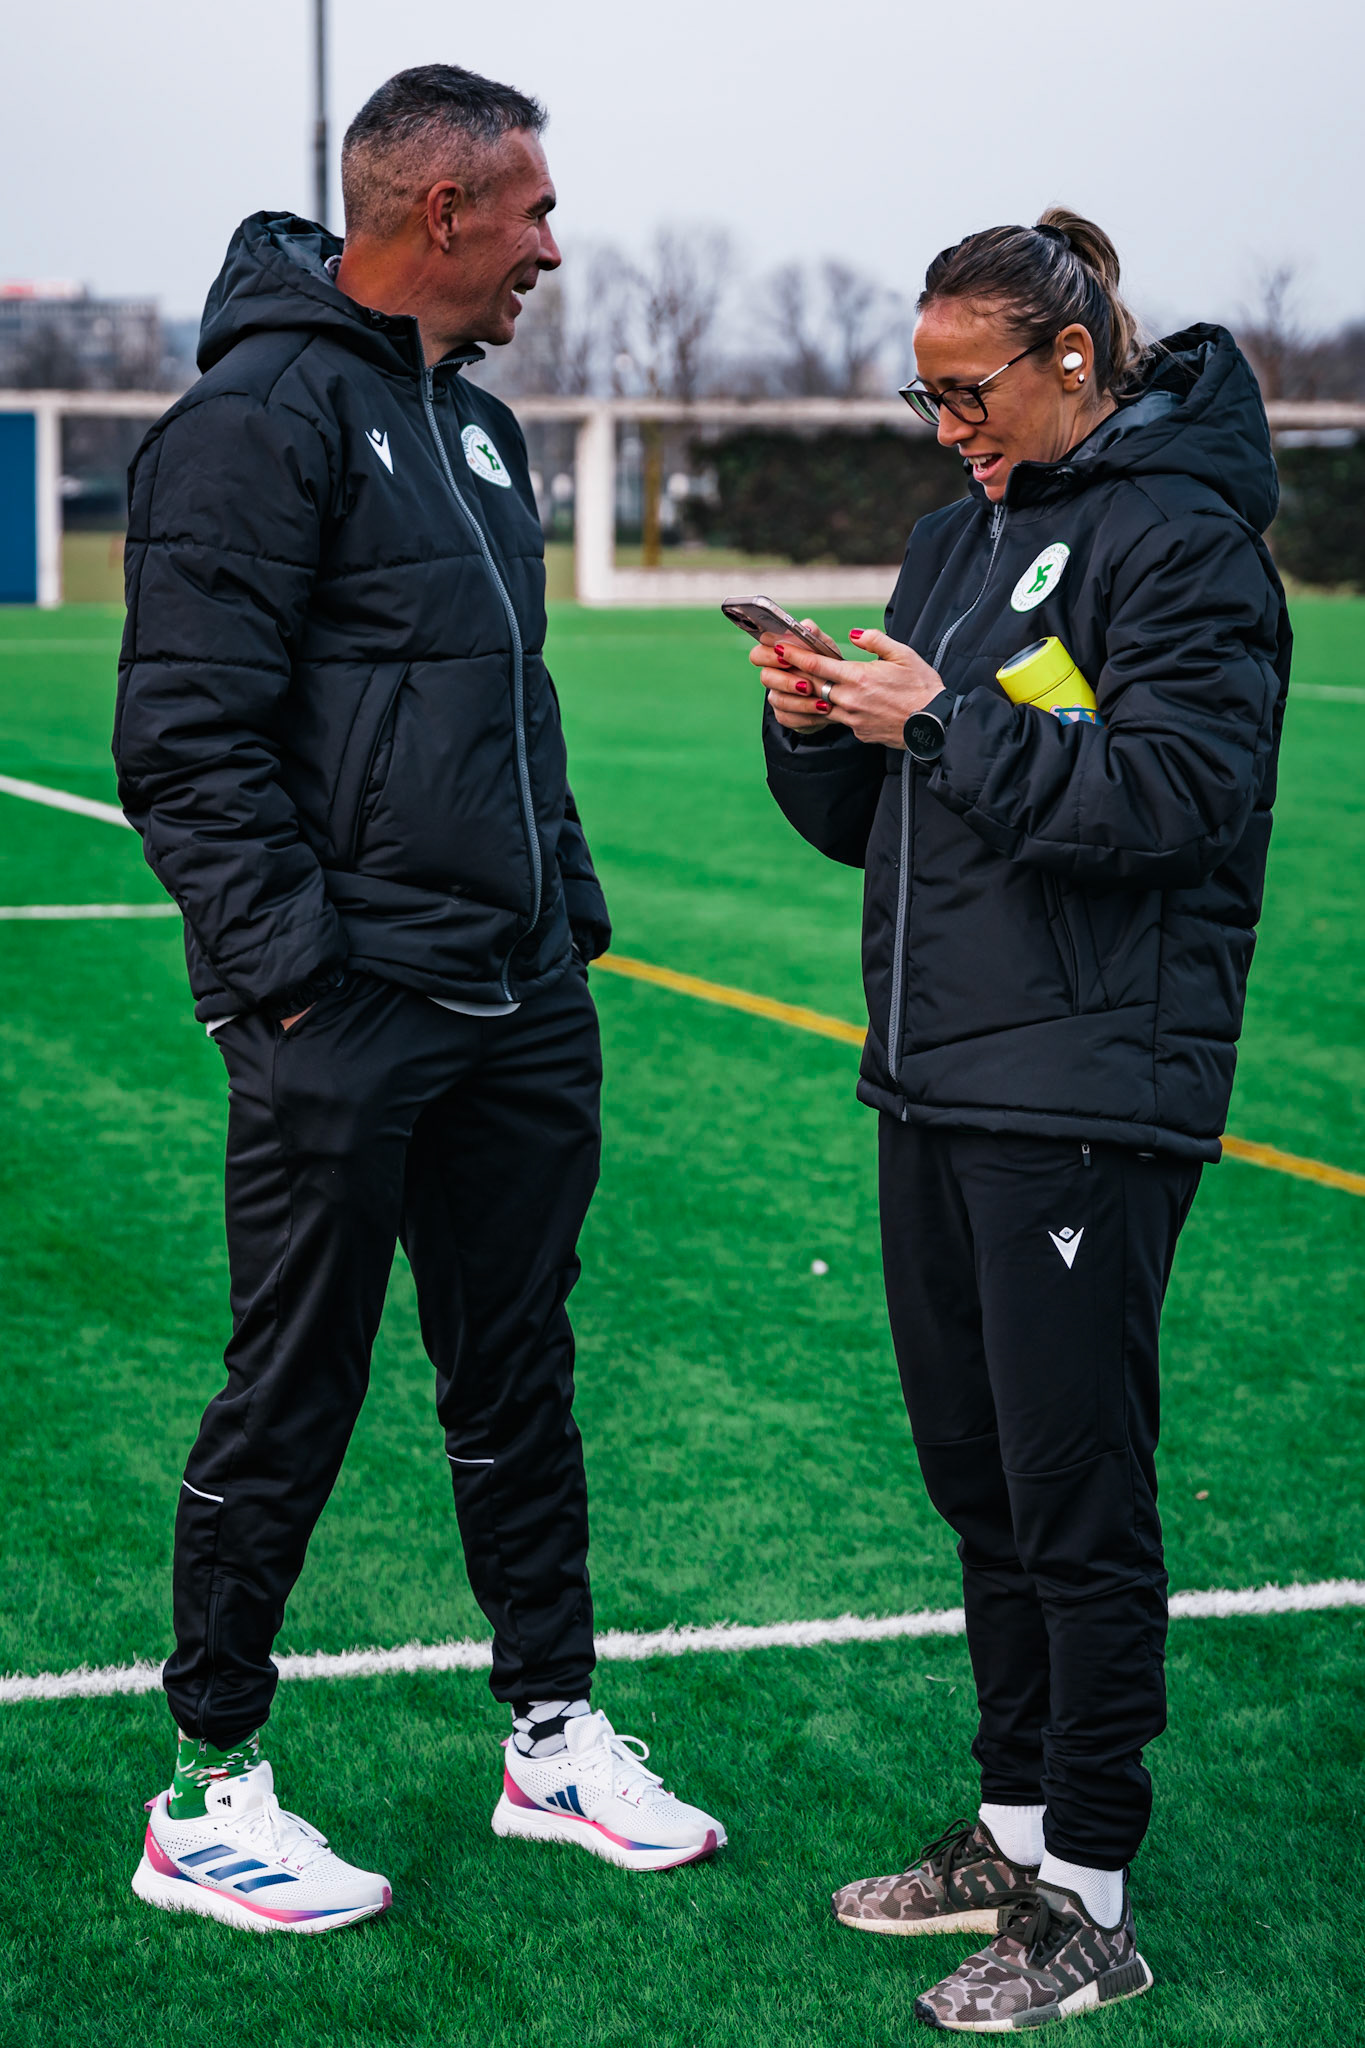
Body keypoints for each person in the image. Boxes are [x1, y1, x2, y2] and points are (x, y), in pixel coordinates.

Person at [114, 63, 725, 1936]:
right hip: (346, 1015)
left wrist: (570, 920)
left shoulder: (477, 428)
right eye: (531, 209)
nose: (554, 244)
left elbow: (508, 706)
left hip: (514, 999)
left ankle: (551, 1733)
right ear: (438, 211)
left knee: (516, 1371)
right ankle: (208, 1784)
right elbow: (186, 748)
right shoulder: (252, 419)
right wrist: (297, 985)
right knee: (292, 1386)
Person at [751, 210, 1288, 2031]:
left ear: (1072, 356)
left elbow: (1180, 801)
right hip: (934, 1078)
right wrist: (828, 725)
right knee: (981, 1487)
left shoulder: (1187, 544)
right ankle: (1009, 1829)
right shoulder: (953, 539)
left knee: (1074, 1496)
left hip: (1083, 1095)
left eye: (965, 389)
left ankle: (1093, 1901)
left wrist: (943, 723)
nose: (944, 426)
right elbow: (883, 821)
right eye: (922, 395)